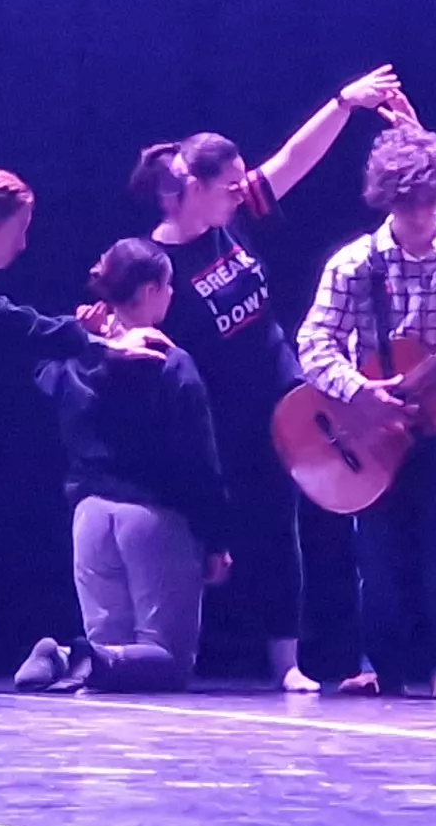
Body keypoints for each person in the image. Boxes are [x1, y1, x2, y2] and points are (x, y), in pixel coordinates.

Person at [134, 67, 404, 691]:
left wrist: (343, 103)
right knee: (211, 541)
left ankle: (290, 663)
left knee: (286, 534)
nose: (239, 191)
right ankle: (164, 650)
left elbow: (292, 159)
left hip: (287, 402)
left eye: (239, 183)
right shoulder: (154, 262)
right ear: (188, 189)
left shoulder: (233, 220)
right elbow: (118, 319)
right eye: (226, 185)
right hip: (217, 420)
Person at [296, 125, 436, 700]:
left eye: (426, 200)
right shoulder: (354, 265)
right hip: (373, 430)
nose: (418, 214)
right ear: (387, 198)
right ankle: (383, 666)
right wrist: (357, 390)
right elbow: (316, 341)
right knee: (377, 551)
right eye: (405, 202)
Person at [14, 239, 228, 694]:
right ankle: (69, 655)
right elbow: (199, 459)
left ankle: (69, 655)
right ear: (150, 290)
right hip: (153, 518)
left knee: (112, 660)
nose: (172, 295)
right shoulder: (169, 361)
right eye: (168, 286)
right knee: (168, 660)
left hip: (90, 516)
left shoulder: (76, 356)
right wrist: (216, 538)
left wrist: (78, 334)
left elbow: (42, 379)